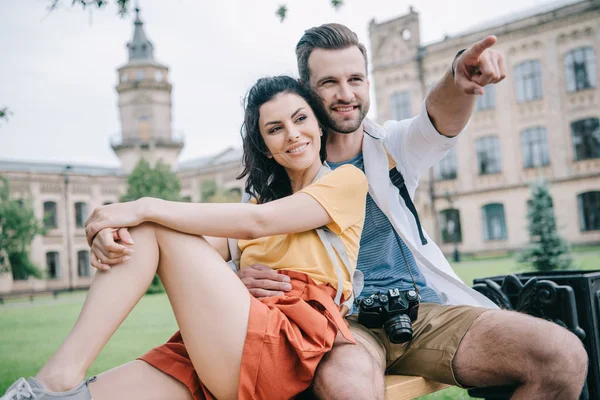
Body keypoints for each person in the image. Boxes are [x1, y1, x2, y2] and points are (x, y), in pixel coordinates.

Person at [239, 24, 589, 399]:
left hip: (423, 311)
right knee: (347, 388)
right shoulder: (273, 177)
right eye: (329, 83)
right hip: (342, 326)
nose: (346, 94)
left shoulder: (393, 144)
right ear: (306, 91)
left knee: (562, 356)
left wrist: (459, 75)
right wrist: (239, 279)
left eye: (356, 78)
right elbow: (238, 249)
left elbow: (437, 119)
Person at [1, 76, 369, 400]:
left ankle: (57, 377)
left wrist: (144, 206)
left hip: (279, 347)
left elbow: (258, 221)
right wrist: (114, 239)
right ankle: (53, 386)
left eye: (300, 118)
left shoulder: (345, 182)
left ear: (320, 126)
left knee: (152, 221)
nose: (291, 133)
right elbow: (177, 252)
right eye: (275, 128)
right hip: (220, 345)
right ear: (265, 146)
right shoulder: (257, 202)